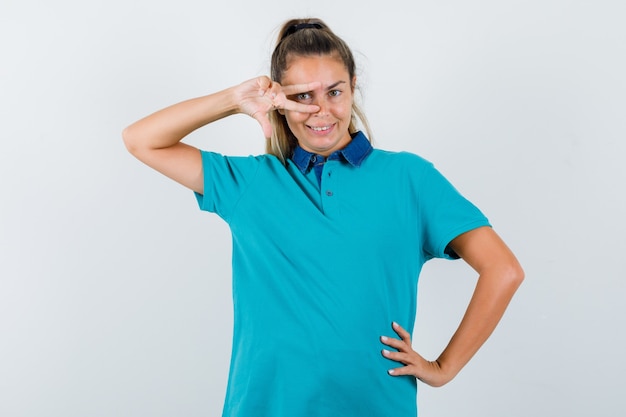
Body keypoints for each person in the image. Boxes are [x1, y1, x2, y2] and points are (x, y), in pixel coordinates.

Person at [123, 17, 524, 417]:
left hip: (376, 406)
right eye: (302, 96)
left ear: (353, 89)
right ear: (279, 101)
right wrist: (233, 99)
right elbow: (141, 140)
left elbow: (503, 270)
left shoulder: (409, 179)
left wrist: (443, 368)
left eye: (335, 92)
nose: (321, 110)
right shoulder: (251, 183)